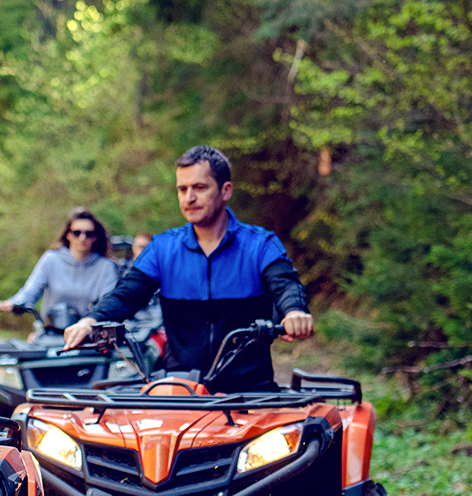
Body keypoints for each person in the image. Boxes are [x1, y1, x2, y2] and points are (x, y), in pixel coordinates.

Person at [63, 146, 313, 391]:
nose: (189, 198)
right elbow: (126, 294)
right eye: (182, 189)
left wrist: (294, 312)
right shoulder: (162, 248)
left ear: (226, 191)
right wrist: (90, 320)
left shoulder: (261, 244)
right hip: (181, 392)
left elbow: (286, 285)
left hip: (250, 393)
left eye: (200, 188)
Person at [0, 208, 121, 330]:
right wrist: (14, 303)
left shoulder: (105, 267)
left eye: (88, 234)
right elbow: (30, 292)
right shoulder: (51, 259)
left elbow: (108, 304)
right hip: (50, 332)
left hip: (87, 336)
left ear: (95, 237)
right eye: (77, 233)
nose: (82, 238)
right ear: (68, 235)